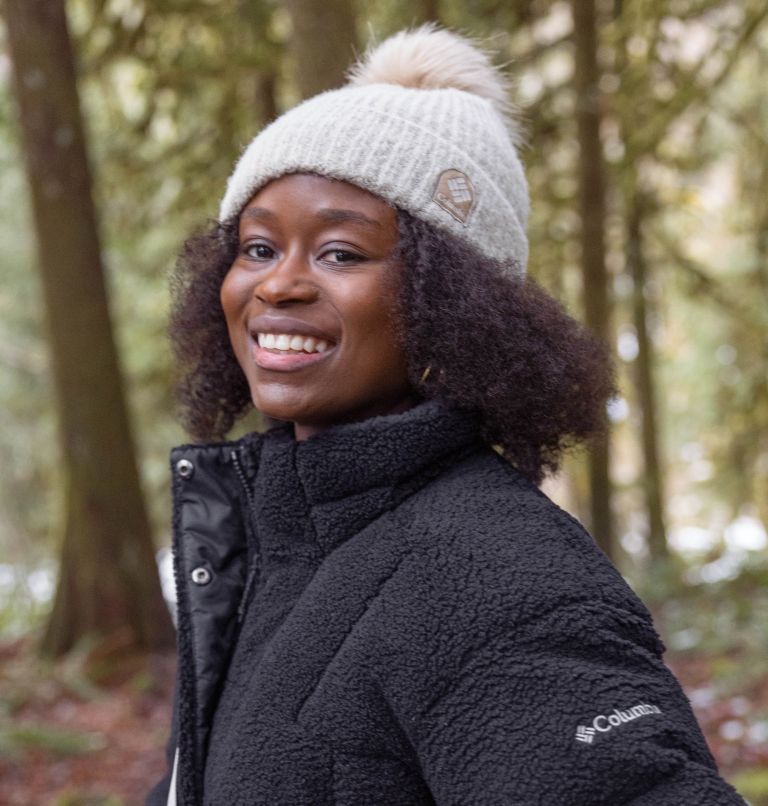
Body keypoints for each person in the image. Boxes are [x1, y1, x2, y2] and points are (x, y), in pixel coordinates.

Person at [148, 26, 745, 806]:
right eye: (258, 248)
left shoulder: (500, 575)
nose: (277, 286)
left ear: (453, 301)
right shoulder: (275, 549)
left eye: (340, 253)